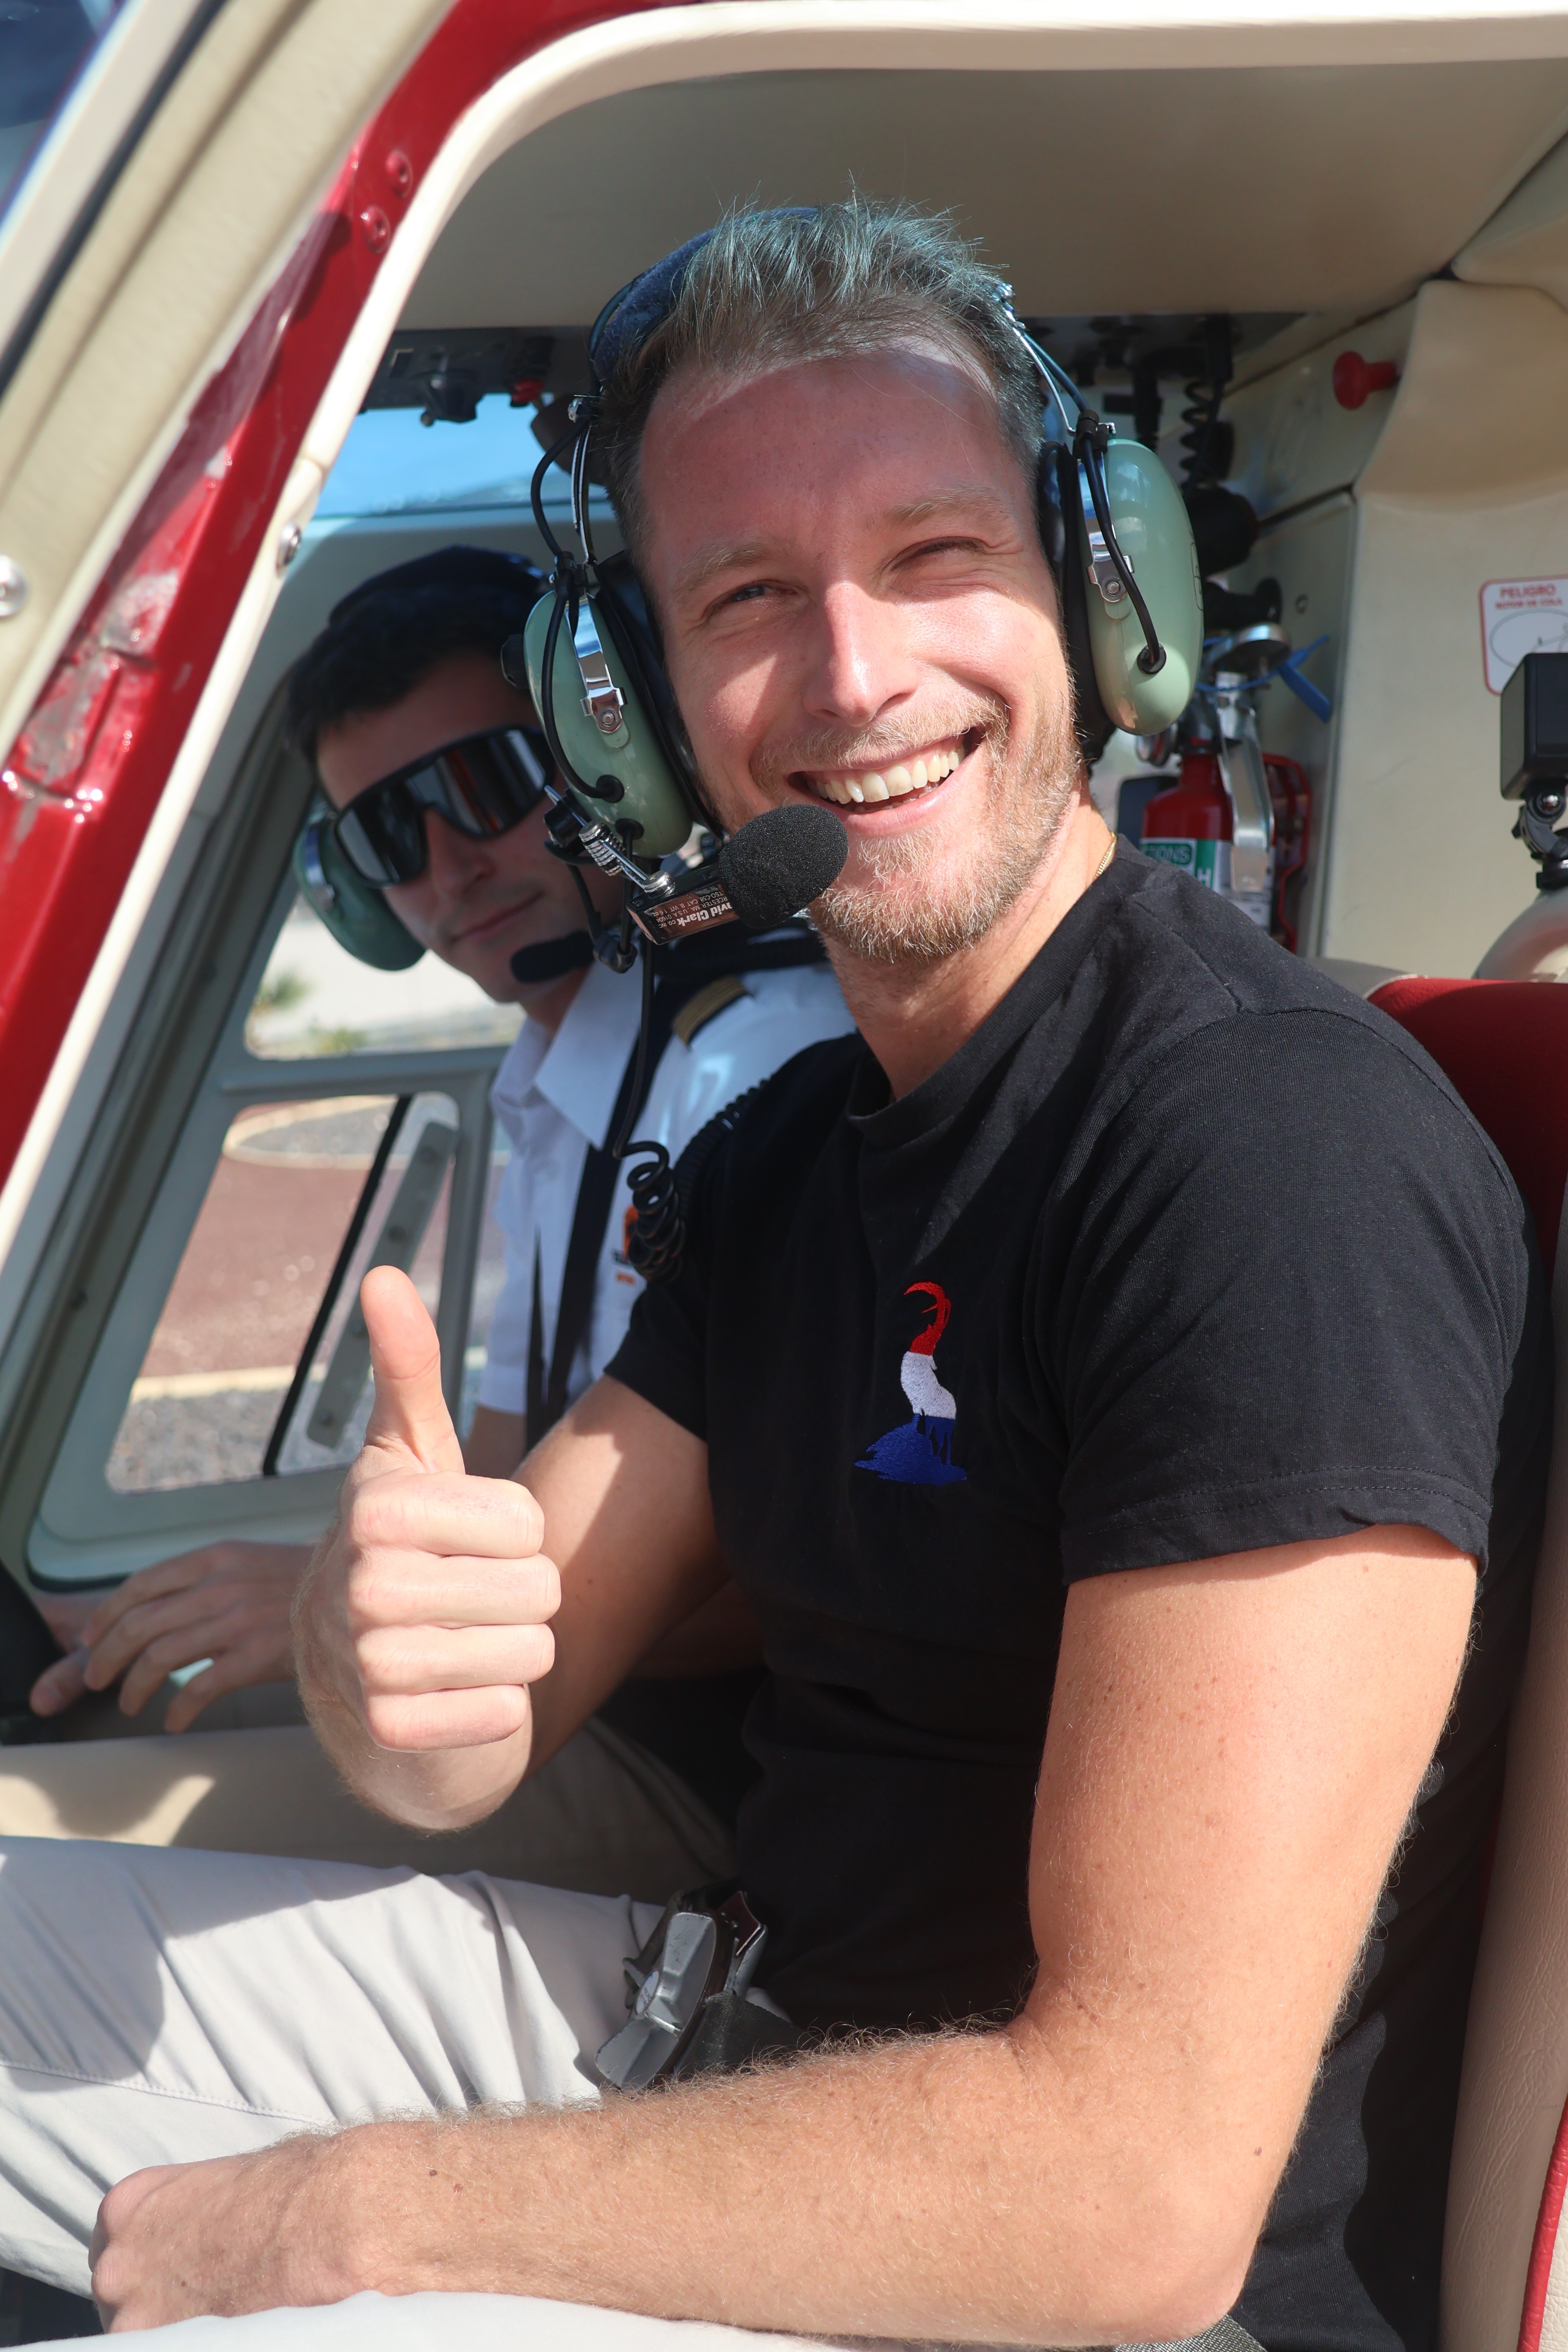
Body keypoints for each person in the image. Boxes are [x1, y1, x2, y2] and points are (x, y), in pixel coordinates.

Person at [0, 203, 1547, 2352]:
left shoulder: (1260, 1160)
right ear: (635, 712)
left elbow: (1130, 2199)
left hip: (1032, 2286)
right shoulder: (776, 1169)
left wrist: (357, 2216)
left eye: (937, 557)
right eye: (746, 600)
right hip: (739, 2043)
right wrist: (388, 1659)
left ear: (1099, 601)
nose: (852, 676)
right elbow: (491, 1716)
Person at [2, 548, 850, 1877]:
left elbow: (803, 1577)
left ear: (601, 765)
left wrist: (319, 1609)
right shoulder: (553, 1081)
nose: (450, 865)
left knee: (25, 1856)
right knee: (83, 1712)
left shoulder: (757, 1068)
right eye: (391, 834)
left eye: (485, 787)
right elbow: (510, 1484)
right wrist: (217, 1599)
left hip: (710, 1773)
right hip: (562, 1704)